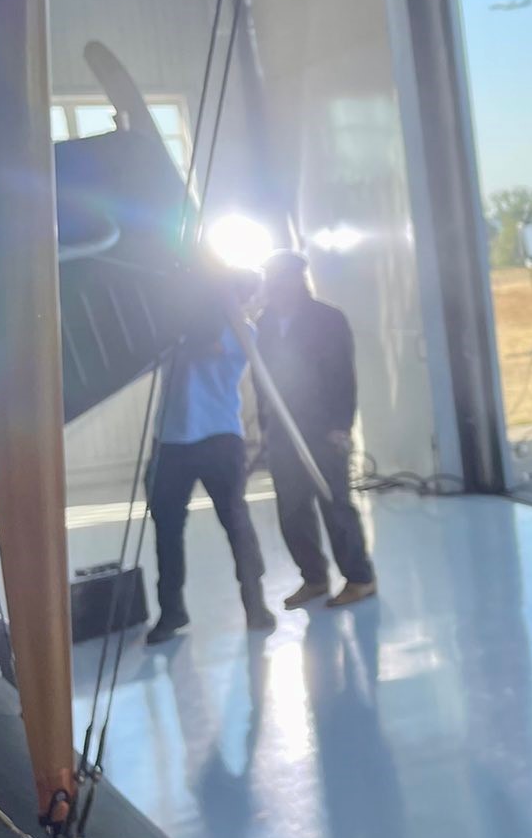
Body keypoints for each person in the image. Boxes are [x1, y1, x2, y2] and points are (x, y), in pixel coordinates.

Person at [146, 295, 276, 644]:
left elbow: (208, 345)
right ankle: (171, 610)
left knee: (236, 522)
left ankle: (255, 604)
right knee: (167, 528)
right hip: (170, 439)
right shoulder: (174, 321)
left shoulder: (241, 329)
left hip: (219, 436)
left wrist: (178, 320)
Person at [256, 250, 377, 609]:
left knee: (335, 503)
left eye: (284, 277)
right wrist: (265, 426)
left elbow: (343, 376)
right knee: (292, 510)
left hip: (323, 428)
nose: (277, 285)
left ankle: (360, 578)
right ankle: (314, 578)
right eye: (272, 278)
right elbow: (261, 381)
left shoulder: (327, 319)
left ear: (299, 279)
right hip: (282, 431)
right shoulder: (264, 323)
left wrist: (341, 426)